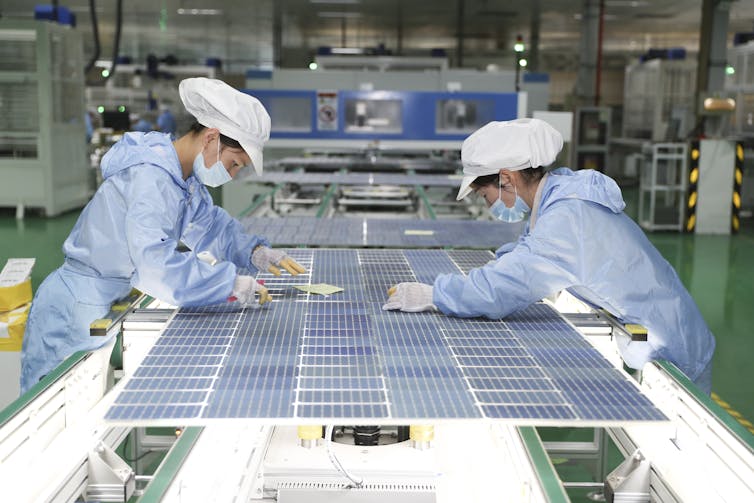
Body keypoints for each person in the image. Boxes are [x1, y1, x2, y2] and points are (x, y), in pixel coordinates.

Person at [383, 118, 715, 394]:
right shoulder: (562, 196)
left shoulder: (567, 218)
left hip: (673, 355)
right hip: (661, 331)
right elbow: (529, 250)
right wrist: (500, 264)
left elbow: (503, 290)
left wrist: (437, 294)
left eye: (484, 194)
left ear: (507, 179)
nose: (486, 203)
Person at [20, 77, 305, 394]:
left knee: (80, 408)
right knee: (48, 423)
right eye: (234, 163)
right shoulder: (151, 180)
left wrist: (253, 252)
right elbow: (155, 267)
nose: (233, 174)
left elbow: (210, 225)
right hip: (72, 310)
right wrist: (229, 284)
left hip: (100, 300)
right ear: (211, 138)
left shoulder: (182, 179)